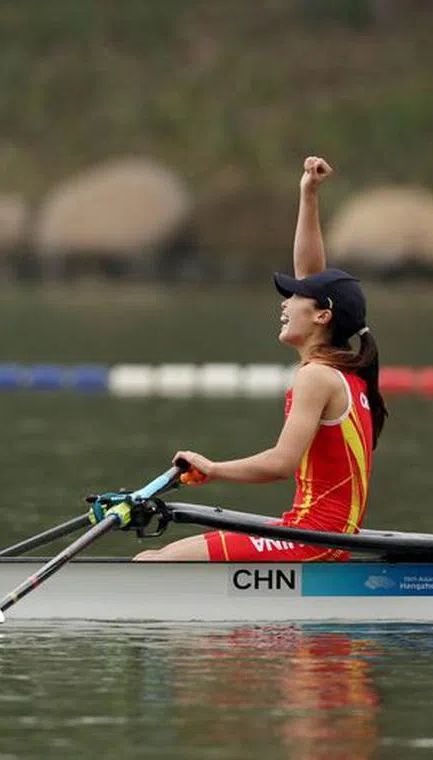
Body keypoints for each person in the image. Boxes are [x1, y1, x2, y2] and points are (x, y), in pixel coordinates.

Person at [134, 156, 387, 562]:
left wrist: (212, 468)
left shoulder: (317, 377)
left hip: (314, 539)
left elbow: (282, 463)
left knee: (151, 564)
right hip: (315, 533)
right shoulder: (345, 373)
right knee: (162, 558)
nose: (285, 303)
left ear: (323, 316)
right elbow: (311, 277)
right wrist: (308, 195)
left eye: (295, 298)